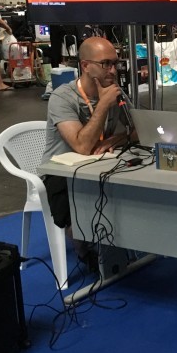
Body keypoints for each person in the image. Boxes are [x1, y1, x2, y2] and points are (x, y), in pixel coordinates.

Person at [41, 37, 135, 263]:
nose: (113, 70)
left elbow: (139, 129)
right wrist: (103, 105)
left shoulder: (114, 92)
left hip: (101, 166)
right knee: (77, 215)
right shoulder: (62, 97)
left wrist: (117, 138)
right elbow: (82, 146)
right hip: (63, 172)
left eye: (115, 63)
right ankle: (86, 251)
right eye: (105, 64)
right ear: (85, 65)